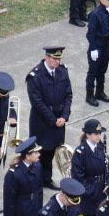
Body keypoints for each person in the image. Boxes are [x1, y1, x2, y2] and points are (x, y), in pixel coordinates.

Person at [27, 45, 73, 186]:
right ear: (46, 57)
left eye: (59, 59)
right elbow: (37, 103)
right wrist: (54, 120)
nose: (57, 62)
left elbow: (68, 95)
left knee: (53, 150)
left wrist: (64, 116)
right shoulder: (35, 76)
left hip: (59, 119)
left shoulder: (62, 71)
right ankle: (37, 178)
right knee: (40, 152)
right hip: (43, 122)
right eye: (54, 59)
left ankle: (46, 178)